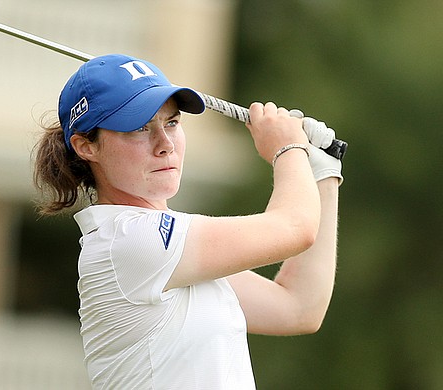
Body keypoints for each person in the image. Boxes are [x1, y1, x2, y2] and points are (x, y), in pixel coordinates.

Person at [32, 54, 343, 389]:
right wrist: (288, 148)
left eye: (172, 122)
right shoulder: (129, 240)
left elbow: (298, 307)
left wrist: (322, 172)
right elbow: (294, 228)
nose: (165, 144)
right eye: (139, 128)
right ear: (86, 146)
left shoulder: (171, 251)